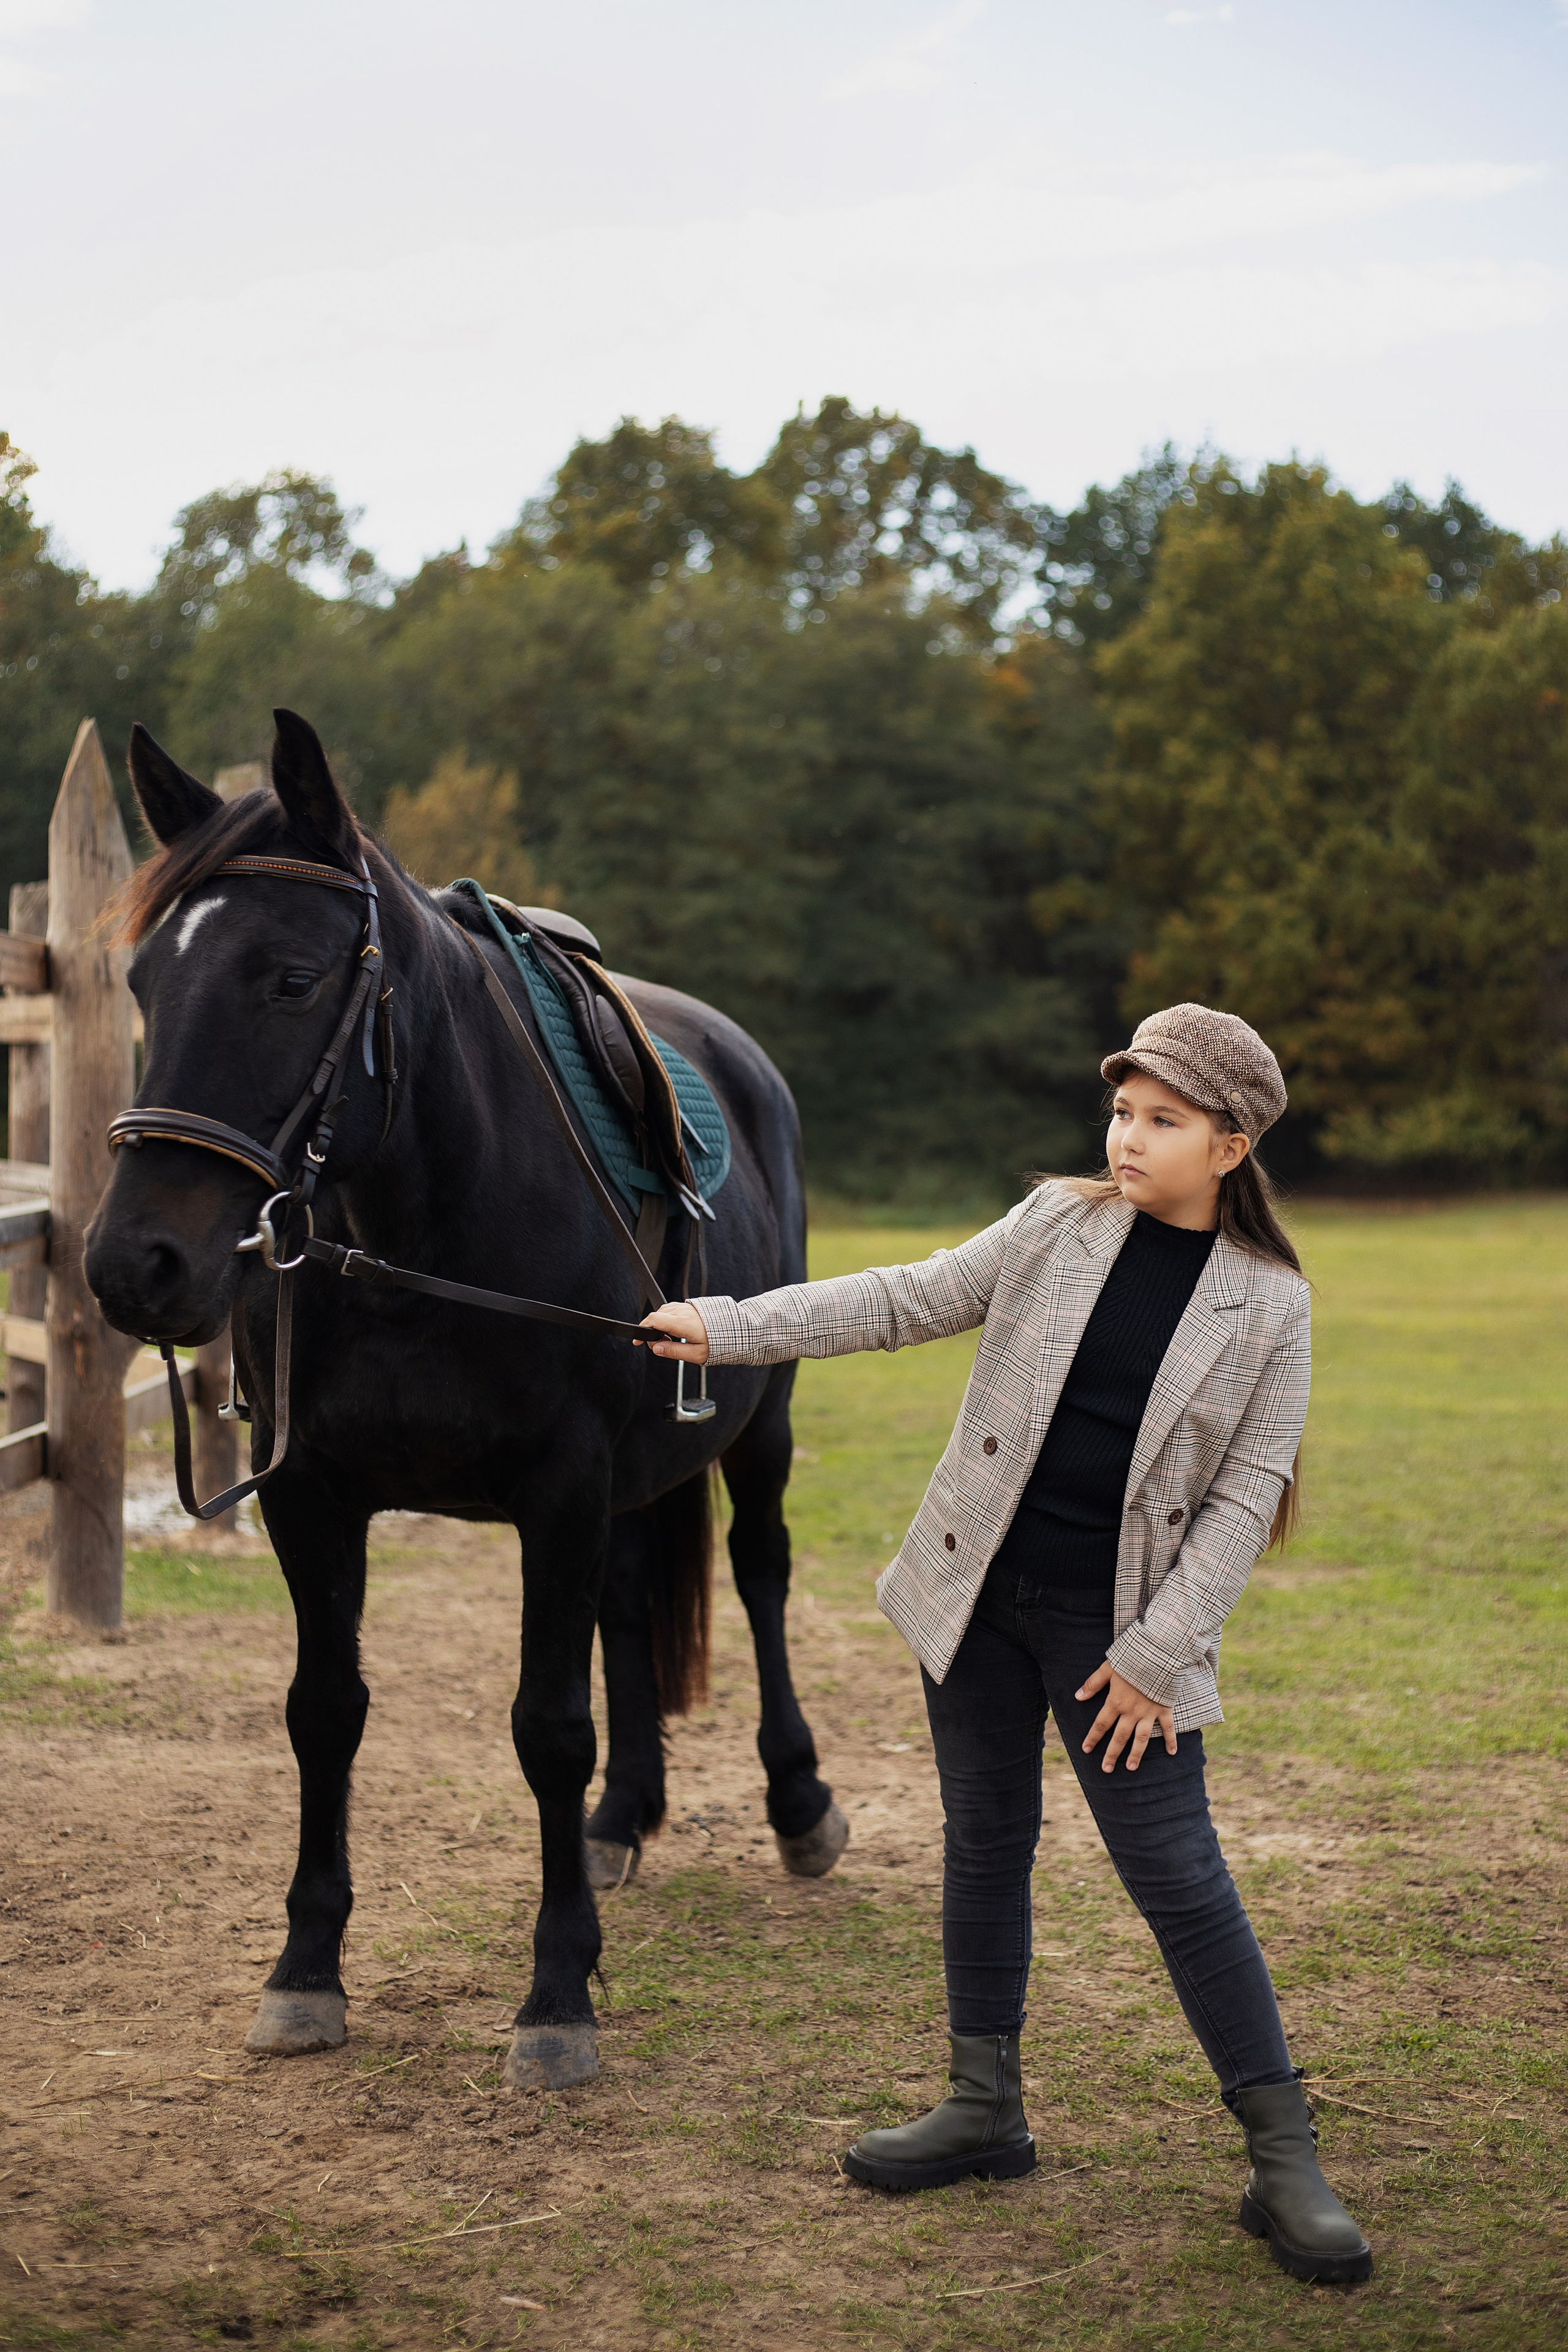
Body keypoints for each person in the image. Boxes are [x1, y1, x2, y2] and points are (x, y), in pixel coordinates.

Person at [641, 1003, 1372, 2286]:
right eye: (1121, 1111)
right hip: (973, 1601)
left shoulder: (1269, 1307)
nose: (1126, 1138)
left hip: (1118, 1644)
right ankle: (984, 2106)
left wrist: (1156, 1653)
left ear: (1231, 1146)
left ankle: (1283, 2158)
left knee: (1179, 1879)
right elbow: (899, 1300)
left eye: (1161, 1120)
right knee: (984, 1845)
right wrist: (729, 1321)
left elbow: (1250, 1494)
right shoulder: (1056, 1227)